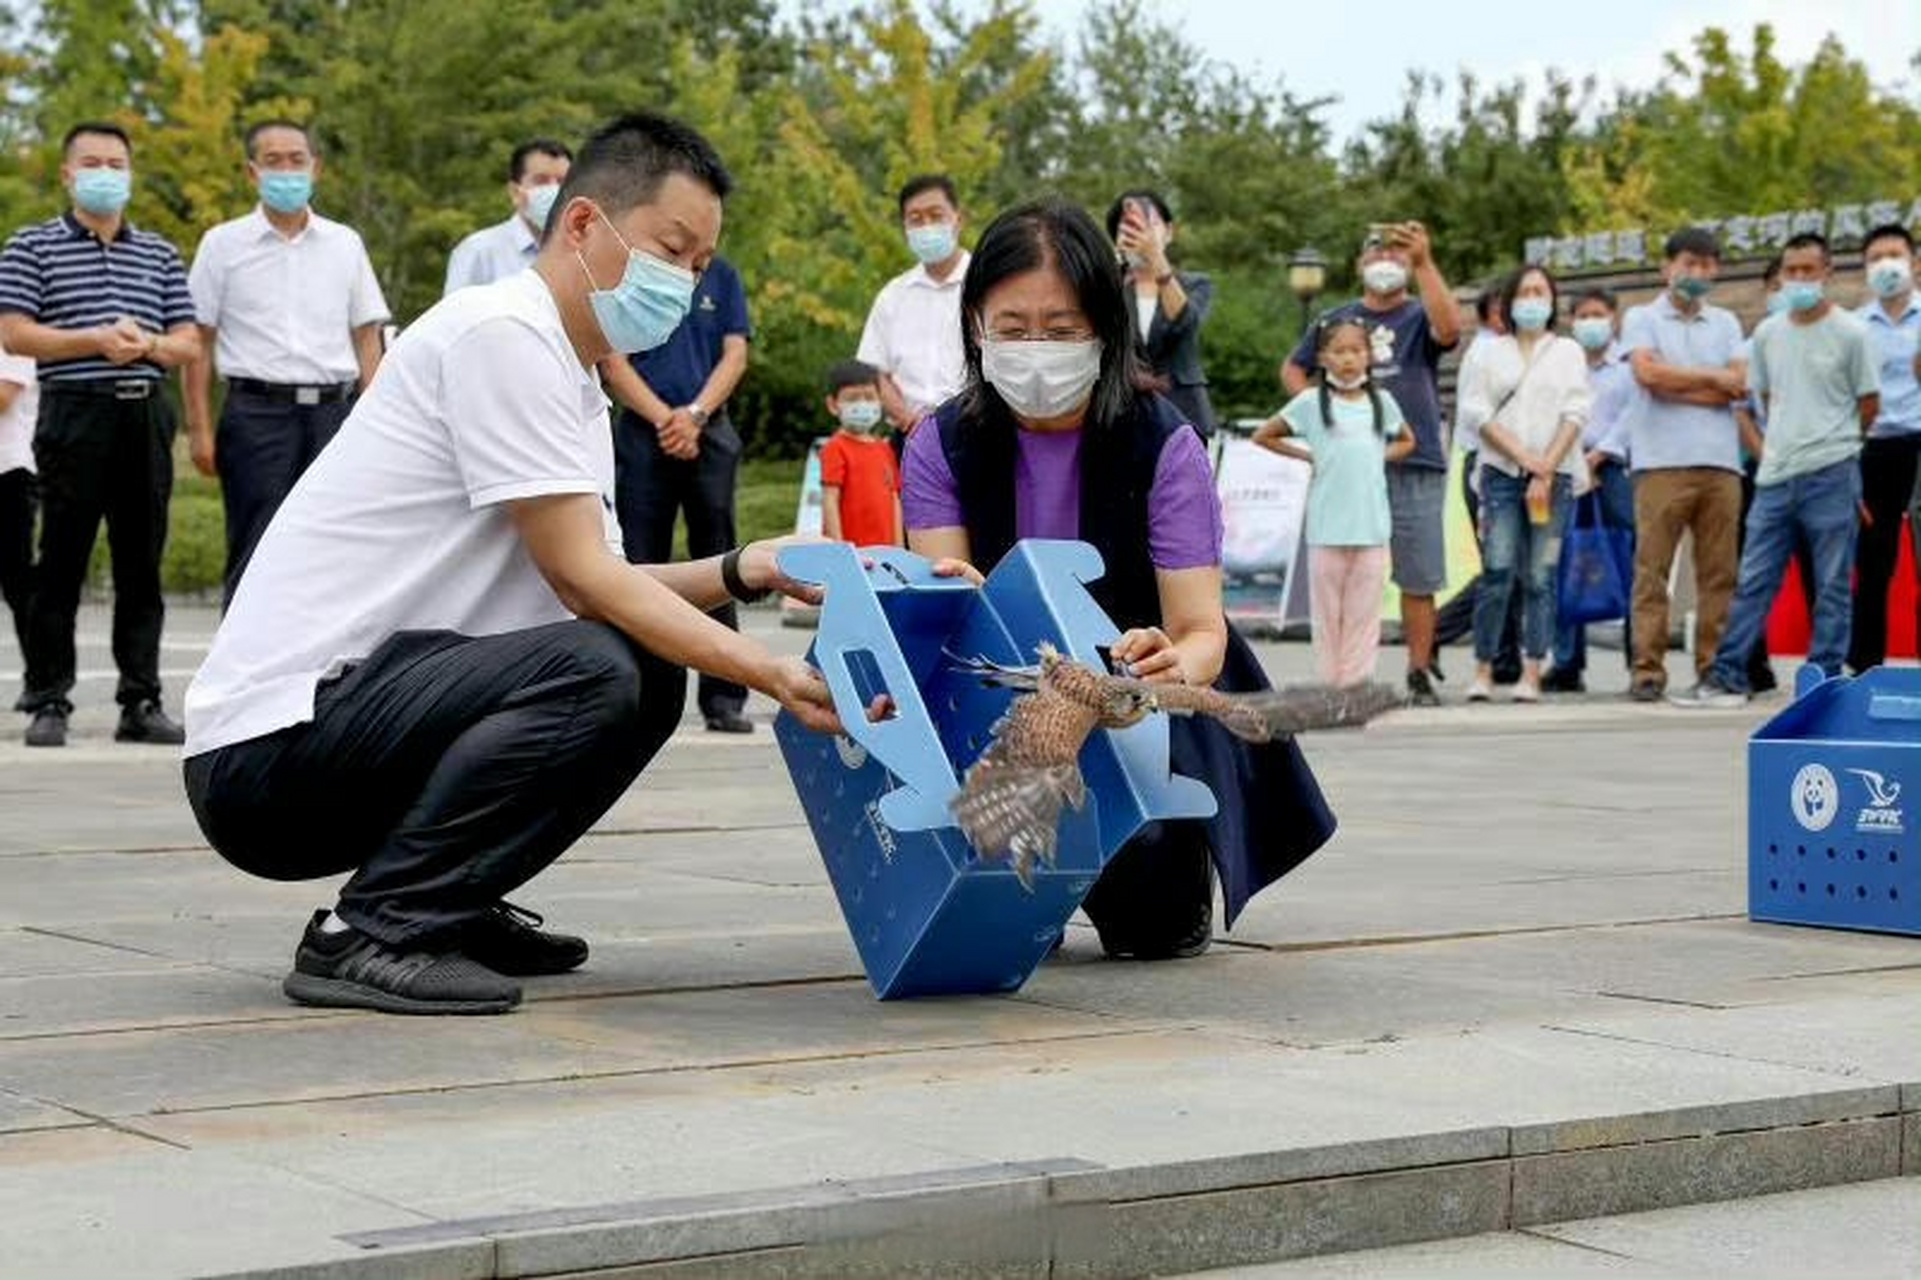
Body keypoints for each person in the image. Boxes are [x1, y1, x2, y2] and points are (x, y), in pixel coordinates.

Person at [182, 112, 843, 1017]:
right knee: (601, 665)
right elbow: (585, 585)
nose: (685, 285)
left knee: (639, 658)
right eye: (670, 250)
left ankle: (446, 900)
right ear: (581, 225)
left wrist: (746, 568)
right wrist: (768, 669)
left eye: (698, 266)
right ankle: (376, 929)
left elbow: (601, 576)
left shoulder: (568, 372)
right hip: (269, 753)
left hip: (357, 717)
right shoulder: (501, 335)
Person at [903, 196, 1336, 961]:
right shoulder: (940, 443)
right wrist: (960, 602)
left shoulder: (1163, 443)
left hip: (1138, 711)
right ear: (976, 328)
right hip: (999, 701)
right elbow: (936, 593)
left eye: (1062, 330)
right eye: (1011, 328)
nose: (1035, 349)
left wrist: (1170, 667)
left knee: (1155, 927)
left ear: (1104, 329)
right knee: (981, 920)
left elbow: (1201, 631)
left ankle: (1161, 855)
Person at [0, 121, 201, 748]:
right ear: (67, 173)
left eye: (117, 163)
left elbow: (189, 341)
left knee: (142, 563)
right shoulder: (31, 246)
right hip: (73, 410)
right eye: (93, 163)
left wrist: (150, 344)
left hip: (145, 412)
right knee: (61, 560)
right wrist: (93, 339)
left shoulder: (160, 253)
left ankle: (140, 700)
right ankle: (49, 697)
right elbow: (15, 333)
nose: (106, 174)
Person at [185, 119, 390, 602]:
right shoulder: (222, 244)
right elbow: (198, 340)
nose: (287, 171)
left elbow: (367, 336)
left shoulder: (345, 243)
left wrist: (375, 415)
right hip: (257, 414)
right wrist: (199, 428)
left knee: (337, 549)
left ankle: (329, 674)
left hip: (334, 414)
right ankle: (240, 675)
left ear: (315, 167)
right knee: (255, 548)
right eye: (273, 161)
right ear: (251, 172)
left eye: (296, 160)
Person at [1676, 232, 1878, 706]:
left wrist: (1840, 443)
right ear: (1781, 276)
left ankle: (1823, 681)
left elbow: (1869, 404)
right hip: (1774, 478)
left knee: (1831, 585)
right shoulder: (1768, 334)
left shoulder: (1852, 333)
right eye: (1792, 272)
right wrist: (1774, 447)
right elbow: (1763, 399)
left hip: (1832, 471)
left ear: (1828, 273)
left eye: (1810, 271)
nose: (1800, 280)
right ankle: (1727, 675)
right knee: (1752, 581)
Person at [1283, 222, 1462, 707]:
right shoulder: (1336, 319)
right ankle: (1341, 679)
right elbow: (1294, 369)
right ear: (1361, 264)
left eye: (1396, 255)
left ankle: (1420, 671)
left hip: (1414, 457)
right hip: (1349, 467)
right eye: (1376, 254)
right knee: (1345, 577)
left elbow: (1450, 331)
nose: (1386, 261)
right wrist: (1327, 415)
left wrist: (1425, 262)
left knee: (1419, 572)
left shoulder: (1419, 314)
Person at [599, 253, 754, 733]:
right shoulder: (633, 271)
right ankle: (640, 689)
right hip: (646, 433)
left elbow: (735, 353)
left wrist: (695, 415)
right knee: (640, 559)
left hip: (708, 428)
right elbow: (613, 360)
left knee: (722, 561)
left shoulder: (724, 274)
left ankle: (724, 695)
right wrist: (666, 418)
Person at [1620, 227, 1746, 703]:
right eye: (1688, 263)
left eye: (1706, 264)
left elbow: (1740, 384)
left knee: (1719, 572)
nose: (1696, 273)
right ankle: (1647, 669)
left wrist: (1684, 383)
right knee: (1652, 570)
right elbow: (1648, 375)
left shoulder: (1728, 323)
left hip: (1720, 463)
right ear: (1666, 267)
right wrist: (1713, 380)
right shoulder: (1642, 318)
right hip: (1659, 463)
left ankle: (1713, 666)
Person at [1253, 317, 1411, 685]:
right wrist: (1308, 456)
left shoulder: (1382, 402)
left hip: (1371, 528)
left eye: (1356, 351)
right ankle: (1330, 688)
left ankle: (1356, 690)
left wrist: (1378, 456)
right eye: (1339, 351)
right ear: (1323, 357)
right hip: (1327, 529)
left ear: (1369, 356)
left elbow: (1406, 440)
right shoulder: (1310, 402)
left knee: (1363, 617)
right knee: (1327, 618)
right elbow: (1265, 434)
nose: (1348, 359)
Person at [1457, 265, 1590, 702]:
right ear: (1510, 302)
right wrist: (1526, 461)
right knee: (1497, 570)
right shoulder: (1489, 352)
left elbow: (1576, 412)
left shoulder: (1568, 351)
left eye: (1541, 291)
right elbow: (1478, 414)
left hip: (1557, 476)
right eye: (1525, 292)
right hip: (1501, 474)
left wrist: (1546, 468)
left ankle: (1533, 670)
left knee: (1540, 575)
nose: (1533, 299)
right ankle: (1483, 668)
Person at [1544, 287, 1637, 692]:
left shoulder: (1630, 365)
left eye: (1598, 313)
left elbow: (1635, 413)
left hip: (1616, 468)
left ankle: (1640, 659)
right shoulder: (1561, 364)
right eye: (1583, 315)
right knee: (1564, 561)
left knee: (1632, 562)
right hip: (1567, 465)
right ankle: (1566, 663)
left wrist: (1601, 455)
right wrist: (1576, 459)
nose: (1591, 322)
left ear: (1614, 317)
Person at [1437, 285, 1521, 683]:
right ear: (1491, 314)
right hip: (1490, 464)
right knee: (1499, 566)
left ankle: (1505, 657)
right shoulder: (1489, 351)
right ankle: (1436, 631)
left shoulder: (1507, 348)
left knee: (1513, 566)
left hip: (1508, 462)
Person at [1849, 222, 1921, 673]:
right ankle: (1865, 662)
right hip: (1872, 448)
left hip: (1920, 444)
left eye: (1893, 255)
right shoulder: (1853, 327)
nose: (1885, 265)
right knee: (1873, 562)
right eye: (1875, 259)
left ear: (1914, 261)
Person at [858, 175, 969, 437]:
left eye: (936, 215)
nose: (926, 226)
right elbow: (874, 370)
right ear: (905, 228)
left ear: (958, 220)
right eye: (916, 219)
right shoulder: (893, 295)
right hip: (909, 434)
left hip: (977, 431)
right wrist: (909, 421)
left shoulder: (989, 285)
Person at [1105, 190, 1215, 435]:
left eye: (1150, 224)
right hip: (1122, 415)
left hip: (1184, 410)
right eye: (1130, 227)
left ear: (1169, 231)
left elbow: (1185, 323)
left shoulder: (1196, 284)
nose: (1143, 234)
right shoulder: (1109, 285)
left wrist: (1155, 257)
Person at [443, 138, 573, 294]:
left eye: (562, 182)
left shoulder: (581, 252)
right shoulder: (479, 251)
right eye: (541, 181)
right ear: (515, 192)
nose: (554, 189)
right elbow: (457, 315)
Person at [818, 359, 901, 547]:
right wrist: (838, 549)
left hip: (886, 554)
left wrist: (899, 548)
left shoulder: (885, 449)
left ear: (880, 401)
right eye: (852, 398)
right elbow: (830, 500)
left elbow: (894, 499)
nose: (862, 404)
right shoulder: (835, 448)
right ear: (833, 405)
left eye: (869, 397)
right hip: (853, 554)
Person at [0, 340, 34, 655]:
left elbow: (3, 396)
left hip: (10, 470)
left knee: (17, 580)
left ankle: (42, 676)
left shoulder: (11, 334)